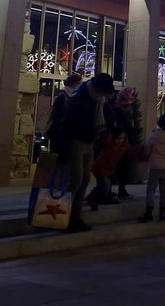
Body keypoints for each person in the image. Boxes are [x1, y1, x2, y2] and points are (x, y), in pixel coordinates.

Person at [60, 72, 115, 233]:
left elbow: (107, 117)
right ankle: (66, 217)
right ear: (99, 88)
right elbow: (67, 122)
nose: (106, 94)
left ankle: (75, 217)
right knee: (76, 180)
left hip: (89, 141)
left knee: (84, 180)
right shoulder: (81, 97)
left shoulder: (98, 100)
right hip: (77, 141)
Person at [139, 113, 165, 223]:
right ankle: (162, 213)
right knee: (164, 190)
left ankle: (149, 211)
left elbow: (146, 150)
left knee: (151, 189)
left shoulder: (153, 136)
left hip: (155, 165)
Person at [112, 87, 136, 198]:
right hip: (122, 141)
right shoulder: (124, 111)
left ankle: (118, 188)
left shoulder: (118, 109)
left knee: (121, 166)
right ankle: (119, 188)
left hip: (121, 141)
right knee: (122, 166)